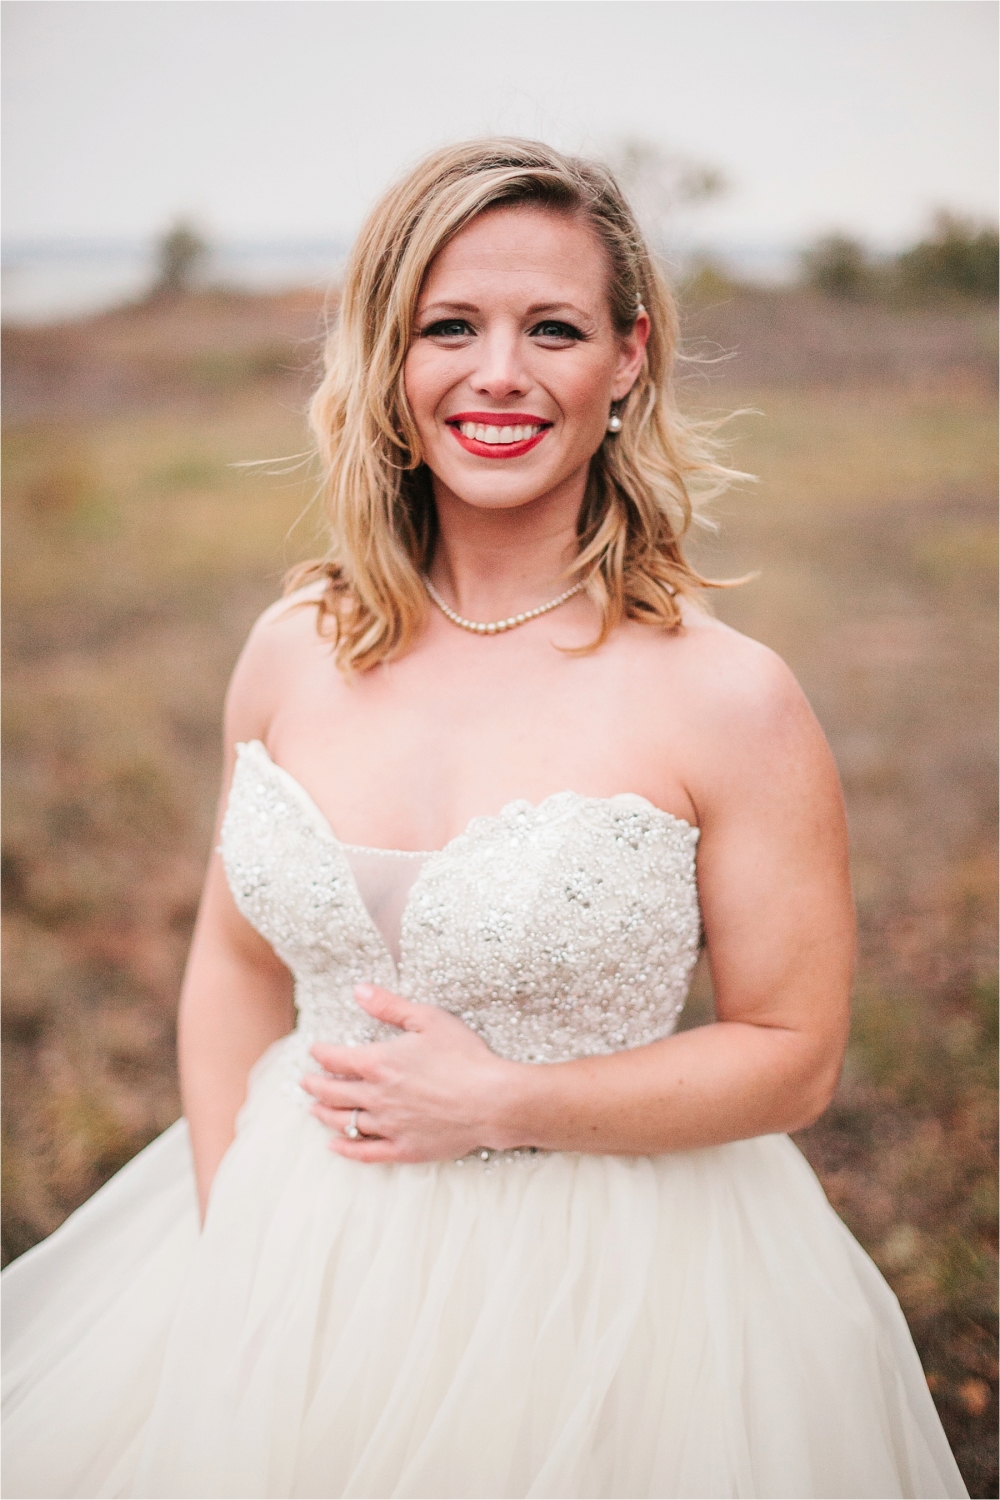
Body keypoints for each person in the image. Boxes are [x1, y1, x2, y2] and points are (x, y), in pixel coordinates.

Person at [1, 139, 966, 1500]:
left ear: (626, 360)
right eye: (450, 326)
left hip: (615, 1291)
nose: (498, 374)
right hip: (289, 1244)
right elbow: (231, 967)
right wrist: (240, 1231)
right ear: (391, 357)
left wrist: (508, 1102)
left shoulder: (731, 698)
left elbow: (794, 1056)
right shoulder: (293, 647)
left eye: (552, 328)